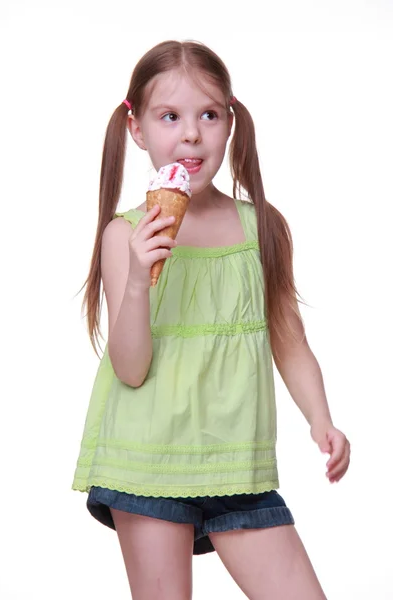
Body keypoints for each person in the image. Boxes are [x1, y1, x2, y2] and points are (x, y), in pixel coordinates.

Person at [72, 40, 350, 600]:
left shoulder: (262, 227)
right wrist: (136, 279)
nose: (191, 134)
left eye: (208, 115)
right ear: (137, 129)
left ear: (231, 120)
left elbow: (288, 337)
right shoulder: (125, 235)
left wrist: (321, 419)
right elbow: (129, 369)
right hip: (147, 461)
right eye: (169, 117)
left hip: (237, 463)